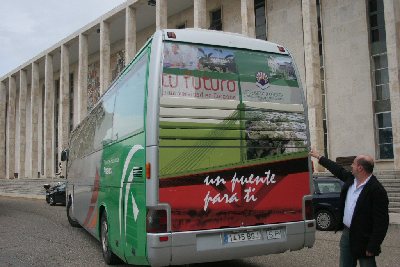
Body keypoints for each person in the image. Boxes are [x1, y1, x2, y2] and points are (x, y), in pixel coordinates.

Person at [309, 149, 389, 267]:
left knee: (367, 264)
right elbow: (337, 170)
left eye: (354, 164)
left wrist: (373, 246)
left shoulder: (376, 190)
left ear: (360, 168)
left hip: (364, 237)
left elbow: (381, 222)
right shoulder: (351, 179)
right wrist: (319, 157)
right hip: (347, 233)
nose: (351, 166)